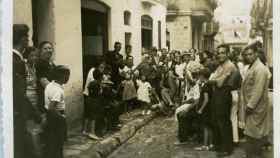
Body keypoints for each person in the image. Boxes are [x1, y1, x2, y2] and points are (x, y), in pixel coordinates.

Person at [13, 24, 41, 158]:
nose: (28, 40)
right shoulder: (17, 61)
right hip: (19, 114)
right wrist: (36, 115)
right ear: (22, 39)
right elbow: (19, 93)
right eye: (27, 37)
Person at [241, 43, 272, 158]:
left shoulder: (260, 69)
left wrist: (250, 105)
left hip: (256, 107)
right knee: (251, 133)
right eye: (246, 55)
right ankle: (252, 154)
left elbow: (258, 90)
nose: (248, 56)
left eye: (250, 54)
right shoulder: (252, 66)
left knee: (254, 134)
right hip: (253, 106)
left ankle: (254, 155)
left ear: (256, 54)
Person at [208, 44, 238, 157]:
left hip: (224, 95)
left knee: (223, 121)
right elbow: (213, 79)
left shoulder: (229, 65)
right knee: (216, 120)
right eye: (218, 52)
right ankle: (220, 145)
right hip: (218, 94)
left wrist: (213, 80)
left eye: (222, 52)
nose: (220, 55)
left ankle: (227, 148)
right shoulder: (221, 65)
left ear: (228, 54)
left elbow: (218, 83)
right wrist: (214, 80)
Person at [44, 65, 70, 158]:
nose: (68, 78)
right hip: (56, 116)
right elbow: (52, 107)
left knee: (52, 142)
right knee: (58, 143)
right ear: (62, 76)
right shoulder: (57, 90)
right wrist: (61, 117)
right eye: (67, 75)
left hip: (50, 116)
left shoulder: (50, 85)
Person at [24, 46, 44, 158]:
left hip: (35, 100)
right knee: (32, 129)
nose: (35, 57)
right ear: (27, 56)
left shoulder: (34, 67)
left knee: (35, 129)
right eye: (32, 55)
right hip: (27, 100)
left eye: (36, 55)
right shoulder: (24, 67)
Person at [82, 61, 106, 140]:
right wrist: (101, 87)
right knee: (93, 116)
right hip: (93, 100)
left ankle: (85, 130)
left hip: (89, 98)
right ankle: (92, 132)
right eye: (101, 67)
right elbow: (98, 93)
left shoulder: (92, 79)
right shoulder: (96, 81)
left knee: (88, 115)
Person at [194, 68, 213, 151]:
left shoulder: (205, 86)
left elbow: (206, 99)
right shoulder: (210, 84)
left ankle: (205, 145)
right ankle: (211, 144)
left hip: (206, 109)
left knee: (205, 127)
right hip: (210, 108)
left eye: (199, 76)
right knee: (209, 127)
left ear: (202, 76)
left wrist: (201, 109)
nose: (198, 78)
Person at [36, 41, 56, 113]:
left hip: (53, 97)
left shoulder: (52, 64)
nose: (48, 50)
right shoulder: (40, 64)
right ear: (40, 51)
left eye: (50, 48)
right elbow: (44, 83)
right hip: (44, 97)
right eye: (45, 48)